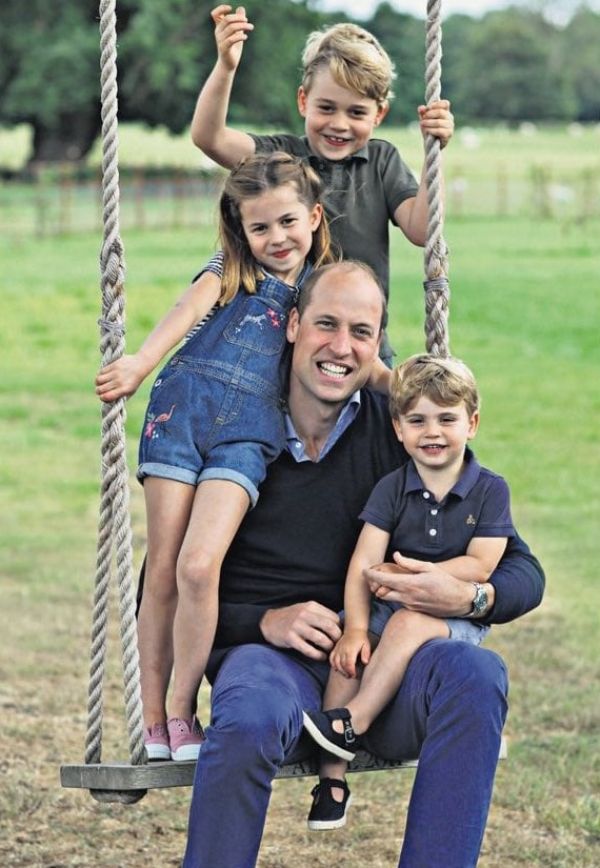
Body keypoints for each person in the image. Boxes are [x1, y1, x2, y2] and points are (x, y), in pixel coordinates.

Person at [179, 261, 545, 867]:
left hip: (388, 670)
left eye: (362, 331)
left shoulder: (400, 433)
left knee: (475, 677)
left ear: (378, 346)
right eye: (326, 324)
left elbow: (521, 572)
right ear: (293, 324)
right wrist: (264, 622)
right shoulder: (238, 430)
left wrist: (467, 599)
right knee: (245, 714)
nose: (341, 348)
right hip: (276, 669)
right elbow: (164, 590)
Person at [95, 152, 338, 762]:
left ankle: (182, 709)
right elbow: (186, 312)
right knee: (165, 568)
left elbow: (348, 350)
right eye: (260, 227)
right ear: (242, 229)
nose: (275, 238)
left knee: (201, 567)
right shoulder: (231, 267)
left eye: (286, 222)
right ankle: (155, 721)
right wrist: (140, 363)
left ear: (312, 216)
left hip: (249, 433)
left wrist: (408, 387)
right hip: (182, 412)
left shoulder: (321, 287)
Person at [302, 353, 516, 831]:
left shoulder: (489, 491)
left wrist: (424, 579)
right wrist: (356, 628)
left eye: (447, 419)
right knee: (346, 655)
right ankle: (332, 779)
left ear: (472, 423)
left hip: (453, 614)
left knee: (408, 621)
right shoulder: (392, 488)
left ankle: (353, 720)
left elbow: (483, 564)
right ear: (398, 429)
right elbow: (363, 563)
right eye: (417, 420)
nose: (433, 432)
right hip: (390, 599)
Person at [191, 8, 454, 362]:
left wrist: (432, 154)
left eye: (357, 113)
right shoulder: (281, 158)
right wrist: (226, 65)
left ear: (379, 115)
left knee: (378, 413)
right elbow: (210, 138)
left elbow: (422, 230)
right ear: (303, 101)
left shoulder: (382, 161)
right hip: (287, 350)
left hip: (363, 347)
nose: (339, 124)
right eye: (326, 108)